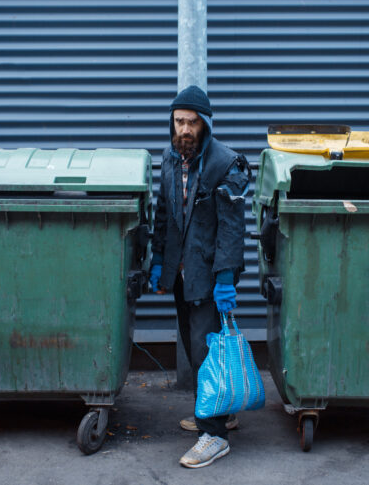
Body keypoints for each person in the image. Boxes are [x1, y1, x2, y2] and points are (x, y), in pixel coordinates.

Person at [149, 85, 249, 468]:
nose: (185, 130)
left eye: (192, 122)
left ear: (205, 124)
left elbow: (231, 228)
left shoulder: (226, 164)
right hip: (180, 274)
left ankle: (214, 434)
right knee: (195, 350)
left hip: (209, 275)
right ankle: (221, 412)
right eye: (179, 122)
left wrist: (225, 278)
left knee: (207, 352)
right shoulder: (171, 157)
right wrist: (159, 259)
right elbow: (164, 213)